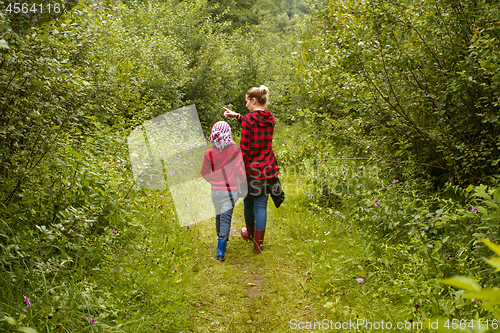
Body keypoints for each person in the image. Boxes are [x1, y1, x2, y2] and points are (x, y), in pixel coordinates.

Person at [223, 85, 279, 254]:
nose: (246, 104)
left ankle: (250, 235)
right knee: (261, 204)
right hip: (267, 168)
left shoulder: (249, 120)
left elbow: (245, 149)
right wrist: (237, 116)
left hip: (250, 170)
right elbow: (255, 122)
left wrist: (237, 169)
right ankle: (258, 246)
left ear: (253, 100)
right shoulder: (271, 119)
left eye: (247, 101)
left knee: (248, 202)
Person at [201, 121, 246, 261]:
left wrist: (212, 180)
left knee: (218, 215)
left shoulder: (209, 153)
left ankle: (220, 239)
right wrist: (242, 180)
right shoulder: (234, 150)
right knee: (226, 218)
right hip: (230, 191)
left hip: (215, 191)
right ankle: (221, 249)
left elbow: (204, 173)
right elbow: (239, 170)